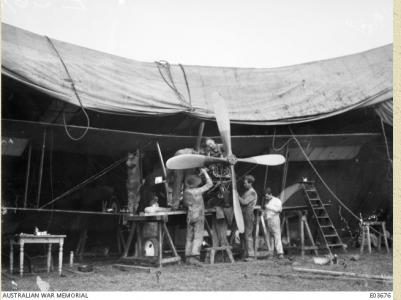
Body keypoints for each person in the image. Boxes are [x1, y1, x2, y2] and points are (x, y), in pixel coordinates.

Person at [183, 168, 213, 265]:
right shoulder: (197, 191)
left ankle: (187, 257)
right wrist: (205, 173)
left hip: (190, 217)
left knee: (189, 237)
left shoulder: (186, 192)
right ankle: (195, 256)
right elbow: (210, 184)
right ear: (195, 184)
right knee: (198, 237)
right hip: (198, 216)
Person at [238, 175, 257, 260]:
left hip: (248, 215)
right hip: (244, 214)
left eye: (245, 183)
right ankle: (245, 254)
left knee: (248, 234)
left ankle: (250, 255)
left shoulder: (252, 192)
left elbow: (244, 202)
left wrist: (237, 196)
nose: (244, 184)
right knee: (242, 234)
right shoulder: (247, 192)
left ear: (250, 183)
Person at [263, 187, 284, 259]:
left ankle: (280, 253)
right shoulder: (267, 201)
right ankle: (271, 253)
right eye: (265, 196)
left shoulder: (277, 200)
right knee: (269, 237)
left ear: (270, 194)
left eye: (267, 196)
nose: (266, 197)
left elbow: (279, 210)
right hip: (268, 220)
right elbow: (267, 211)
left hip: (274, 219)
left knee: (277, 235)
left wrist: (269, 207)